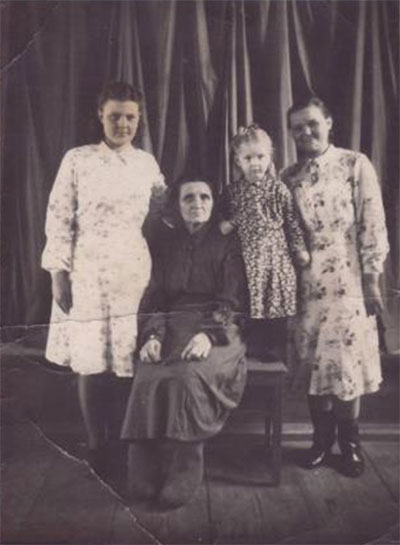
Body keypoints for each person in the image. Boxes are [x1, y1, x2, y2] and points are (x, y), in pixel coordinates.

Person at [41, 81, 166, 477]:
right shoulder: (77, 159)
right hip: (88, 270)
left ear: (139, 119)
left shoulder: (146, 164)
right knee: (91, 360)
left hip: (132, 269)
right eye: (114, 116)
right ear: (100, 115)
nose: (122, 124)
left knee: (127, 358)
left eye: (130, 117)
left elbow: (161, 210)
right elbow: (59, 216)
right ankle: (97, 446)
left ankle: (125, 445)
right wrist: (58, 273)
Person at [121, 178, 249, 508]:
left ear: (213, 203)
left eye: (205, 196)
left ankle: (185, 467)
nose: (197, 203)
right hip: (172, 324)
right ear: (177, 205)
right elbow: (156, 297)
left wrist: (209, 334)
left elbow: (232, 299)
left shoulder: (228, 242)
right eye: (188, 197)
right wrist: (152, 336)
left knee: (188, 375)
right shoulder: (165, 243)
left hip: (221, 328)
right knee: (148, 373)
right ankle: (144, 466)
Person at [281, 96, 389, 477]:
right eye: (297, 127)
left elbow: (372, 223)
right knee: (313, 362)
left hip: (348, 280)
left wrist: (372, 278)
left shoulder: (354, 164)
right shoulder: (288, 177)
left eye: (312, 123)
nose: (305, 132)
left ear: (328, 122)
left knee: (345, 362)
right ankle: (321, 442)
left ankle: (351, 445)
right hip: (305, 286)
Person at [220, 124, 310, 359]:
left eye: (260, 157)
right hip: (246, 256)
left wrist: (299, 248)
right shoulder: (232, 191)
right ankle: (250, 347)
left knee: (275, 301)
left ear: (269, 158)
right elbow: (224, 219)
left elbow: (291, 223)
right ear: (238, 161)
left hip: (275, 257)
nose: (255, 163)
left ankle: (274, 348)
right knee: (248, 301)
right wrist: (227, 224)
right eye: (248, 158)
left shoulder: (279, 190)